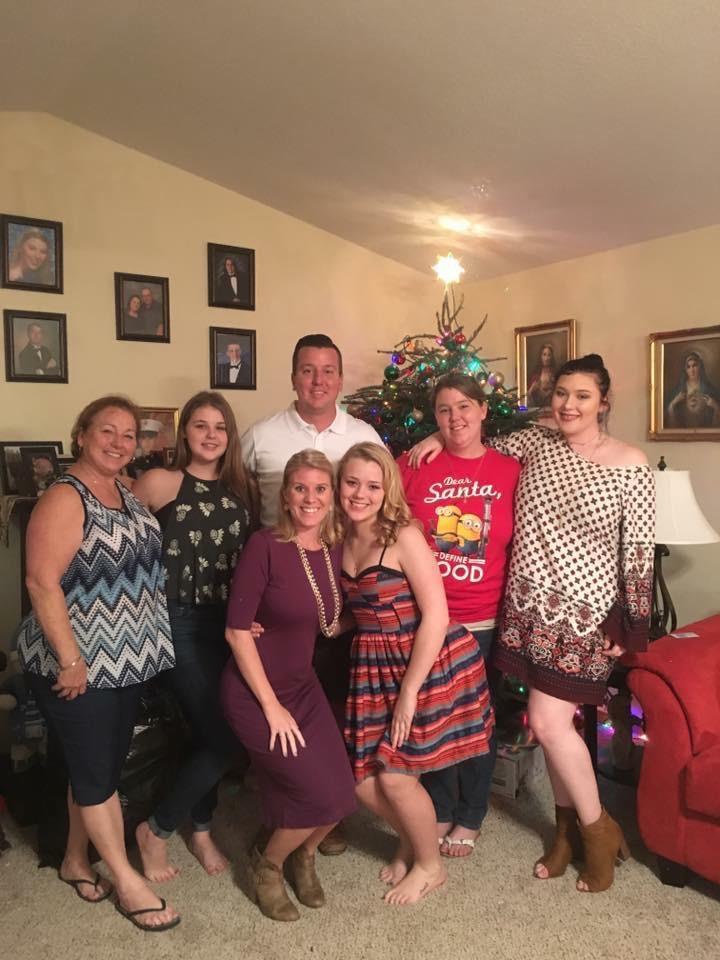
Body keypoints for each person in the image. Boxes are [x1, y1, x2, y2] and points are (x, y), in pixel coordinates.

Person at [409, 354, 655, 893]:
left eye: (583, 396)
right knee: (554, 729)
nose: (569, 404)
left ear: (603, 403)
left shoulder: (630, 462)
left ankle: (599, 832)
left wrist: (629, 620)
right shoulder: (532, 444)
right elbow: (469, 432)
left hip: (584, 617)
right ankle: (565, 834)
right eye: (562, 394)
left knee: (545, 723)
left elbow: (638, 551)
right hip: (523, 611)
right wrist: (433, 431)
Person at [16, 396, 179, 930]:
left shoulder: (126, 491)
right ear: (81, 434)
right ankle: (127, 883)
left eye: (128, 434)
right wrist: (69, 660)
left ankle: (73, 860)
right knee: (94, 773)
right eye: (106, 430)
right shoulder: (66, 497)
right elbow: (41, 582)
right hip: (77, 664)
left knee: (102, 767)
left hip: (124, 663)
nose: (117, 442)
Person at [241, 333, 383, 854]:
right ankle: (280, 812)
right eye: (307, 370)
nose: (318, 380)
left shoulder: (364, 434)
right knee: (275, 708)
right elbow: (242, 508)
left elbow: (386, 493)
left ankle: (327, 809)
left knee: (333, 699)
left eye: (328, 371)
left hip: (339, 592)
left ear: (340, 379)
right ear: (293, 375)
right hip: (278, 598)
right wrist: (248, 605)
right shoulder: (260, 437)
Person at [337, 442, 494, 905]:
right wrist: (332, 623)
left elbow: (436, 614)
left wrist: (410, 691)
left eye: (372, 484)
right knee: (361, 780)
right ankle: (413, 841)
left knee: (398, 777)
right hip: (371, 666)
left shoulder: (403, 534)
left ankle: (430, 865)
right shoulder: (339, 536)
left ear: (387, 488)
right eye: (351, 482)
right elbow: (363, 607)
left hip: (425, 661)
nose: (360, 493)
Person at [220, 450, 357, 921]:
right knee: (310, 792)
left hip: (303, 686)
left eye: (321, 489)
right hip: (255, 692)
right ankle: (268, 865)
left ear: (332, 496)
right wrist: (272, 708)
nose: (310, 498)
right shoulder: (265, 545)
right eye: (300, 488)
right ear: (286, 494)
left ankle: (304, 854)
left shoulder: (333, 547)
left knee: (342, 793)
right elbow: (237, 631)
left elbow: (330, 622)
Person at [134, 391, 259, 883]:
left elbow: (253, 561)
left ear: (229, 436)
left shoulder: (241, 488)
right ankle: (158, 829)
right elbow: (116, 537)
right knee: (223, 736)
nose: (210, 435)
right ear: (185, 432)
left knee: (209, 732)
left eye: (220, 427)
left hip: (228, 626)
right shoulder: (160, 482)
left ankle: (202, 827)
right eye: (201, 425)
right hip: (178, 621)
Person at [397, 373, 520, 856]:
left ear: (484, 410)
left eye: (465, 406)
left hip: (484, 619)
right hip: (428, 617)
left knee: (475, 721)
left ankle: (471, 814)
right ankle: (442, 806)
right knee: (434, 717)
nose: (456, 418)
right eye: (444, 410)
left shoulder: (512, 468)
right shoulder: (413, 464)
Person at [666, 350, 720, 428]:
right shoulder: (679, 389)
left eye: (695, 365)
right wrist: (674, 403)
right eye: (688, 367)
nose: (692, 370)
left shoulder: (709, 389)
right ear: (685, 369)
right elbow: (669, 410)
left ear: (700, 367)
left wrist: (715, 406)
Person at [526, 342, 557, 409]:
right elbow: (527, 396)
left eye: (549, 355)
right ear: (541, 356)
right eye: (544, 355)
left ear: (552, 357)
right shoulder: (535, 374)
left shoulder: (555, 373)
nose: (546, 358)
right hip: (538, 409)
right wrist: (532, 389)